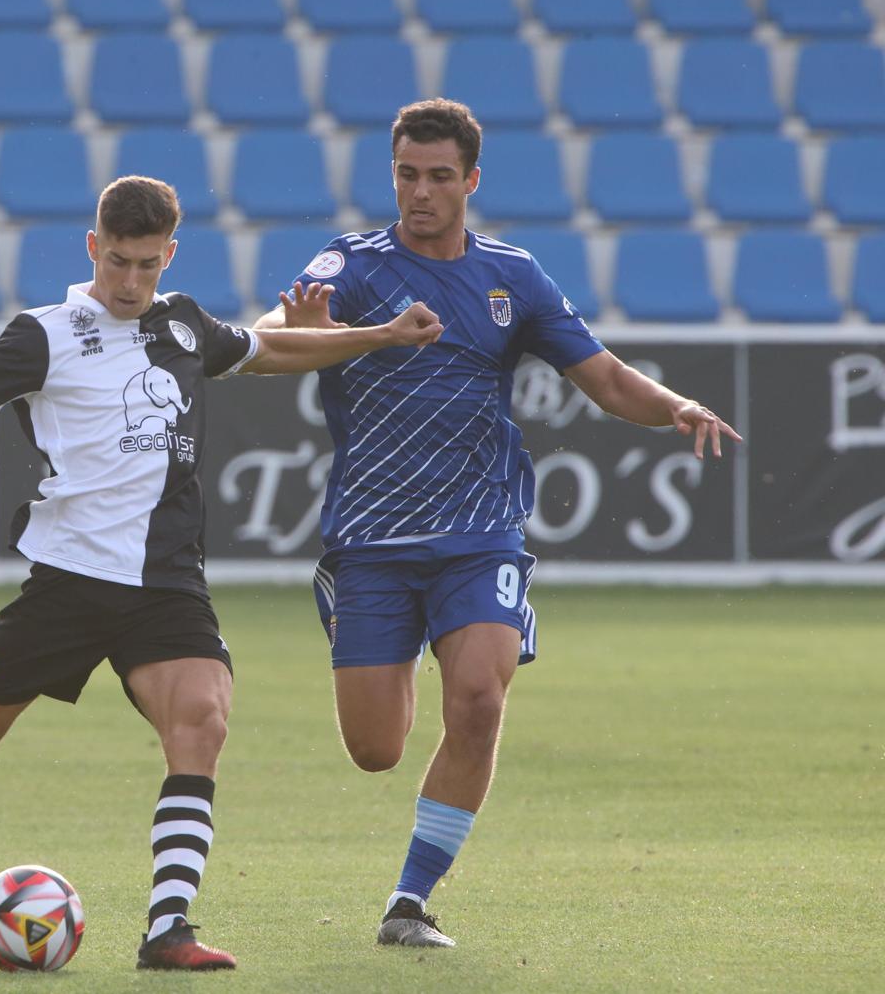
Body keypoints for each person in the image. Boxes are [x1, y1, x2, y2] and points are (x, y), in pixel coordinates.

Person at [0, 175, 447, 971]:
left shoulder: (183, 325)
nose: (132, 281)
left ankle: (168, 928)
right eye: (118, 262)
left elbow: (269, 347)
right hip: (67, 585)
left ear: (169, 255)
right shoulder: (43, 335)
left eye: (148, 265)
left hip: (167, 585)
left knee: (203, 717)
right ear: (92, 249)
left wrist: (380, 335)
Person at [255, 98, 741, 949]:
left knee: (478, 697)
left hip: (482, 531)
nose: (421, 192)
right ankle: (384, 652)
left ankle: (408, 900)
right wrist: (323, 332)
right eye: (407, 174)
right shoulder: (354, 265)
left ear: (471, 180)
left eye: (440, 176)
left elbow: (606, 376)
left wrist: (675, 405)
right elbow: (265, 339)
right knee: (375, 748)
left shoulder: (513, 275)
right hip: (370, 540)